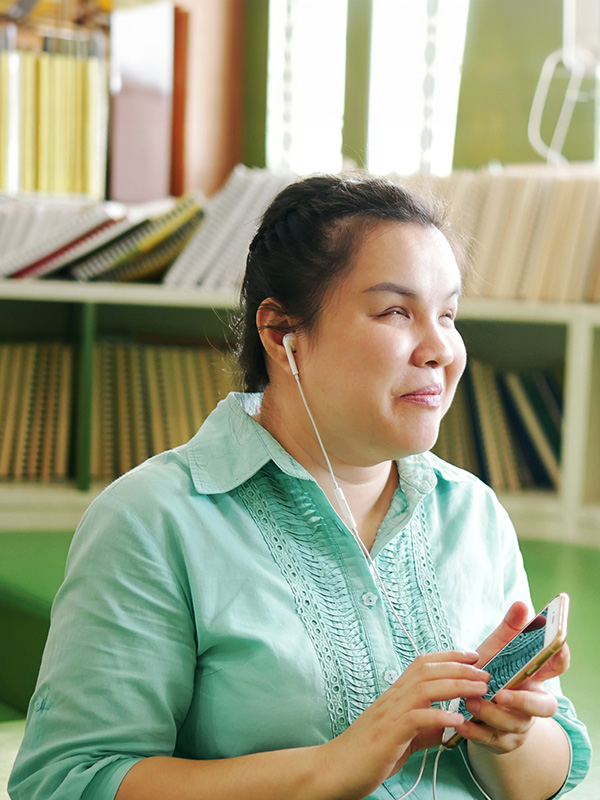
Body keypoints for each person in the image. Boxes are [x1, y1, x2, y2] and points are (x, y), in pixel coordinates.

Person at [9, 174, 591, 800]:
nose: (441, 350)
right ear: (282, 334)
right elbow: (69, 781)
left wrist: (510, 731)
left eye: (447, 314)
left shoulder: (474, 512)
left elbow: (544, 779)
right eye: (396, 311)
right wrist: (332, 767)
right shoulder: (151, 520)